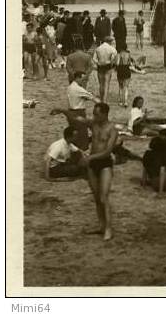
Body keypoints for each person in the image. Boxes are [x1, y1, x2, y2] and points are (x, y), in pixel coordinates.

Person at [57, 102, 118, 240]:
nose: (94, 116)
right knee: (97, 198)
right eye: (93, 114)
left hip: (104, 164)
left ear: (104, 114)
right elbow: (76, 119)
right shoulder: (93, 124)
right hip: (92, 163)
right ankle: (101, 225)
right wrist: (62, 110)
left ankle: (108, 228)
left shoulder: (112, 130)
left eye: (96, 114)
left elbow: (108, 152)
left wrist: (90, 158)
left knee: (104, 197)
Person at [92, 36, 118, 104]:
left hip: (100, 66)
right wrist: (111, 64)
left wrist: (98, 63)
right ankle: (105, 100)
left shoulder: (98, 48)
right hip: (108, 66)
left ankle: (101, 98)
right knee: (106, 84)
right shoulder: (112, 49)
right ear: (110, 42)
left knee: (101, 84)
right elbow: (114, 59)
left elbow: (94, 59)